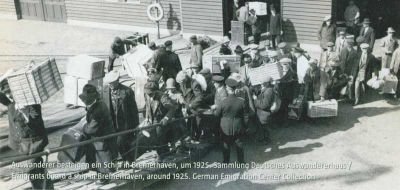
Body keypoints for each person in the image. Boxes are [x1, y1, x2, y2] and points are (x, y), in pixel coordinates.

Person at [0, 90, 54, 189]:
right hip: (21, 143)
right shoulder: (12, 104)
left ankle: (41, 188)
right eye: (8, 93)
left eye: (11, 93)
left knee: (33, 169)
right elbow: (3, 98)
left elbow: (35, 123)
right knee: (39, 167)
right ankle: (48, 187)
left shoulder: (32, 105)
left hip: (35, 143)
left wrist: (25, 113)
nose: (9, 95)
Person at [79, 84, 117, 184]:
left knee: (102, 159)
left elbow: (91, 129)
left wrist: (83, 127)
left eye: (86, 100)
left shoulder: (99, 109)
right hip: (99, 139)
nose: (85, 102)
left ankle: (104, 179)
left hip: (103, 139)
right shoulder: (98, 104)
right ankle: (103, 176)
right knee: (98, 159)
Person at [103, 70, 139, 162]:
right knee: (115, 144)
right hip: (111, 124)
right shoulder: (104, 91)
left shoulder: (127, 91)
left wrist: (136, 125)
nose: (110, 85)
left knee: (122, 143)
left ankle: (128, 161)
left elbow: (134, 110)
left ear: (117, 81)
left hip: (125, 124)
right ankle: (125, 160)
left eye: (112, 83)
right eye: (109, 83)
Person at [214, 78, 247, 163]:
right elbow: (246, 115)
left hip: (225, 126)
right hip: (238, 125)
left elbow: (217, 114)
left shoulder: (223, 102)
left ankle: (226, 161)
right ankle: (241, 162)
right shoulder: (242, 101)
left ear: (227, 89)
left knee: (226, 143)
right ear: (235, 88)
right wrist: (245, 126)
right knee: (239, 143)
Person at [143, 80, 178, 159]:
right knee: (155, 138)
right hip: (153, 120)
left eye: (151, 93)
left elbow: (172, 108)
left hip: (161, 120)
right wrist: (147, 118)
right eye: (148, 93)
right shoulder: (146, 95)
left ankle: (163, 155)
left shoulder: (163, 97)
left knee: (159, 137)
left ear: (155, 91)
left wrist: (166, 118)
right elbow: (148, 106)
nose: (149, 95)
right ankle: (164, 154)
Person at [253, 76, 274, 143]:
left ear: (267, 83)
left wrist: (255, 99)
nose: (261, 84)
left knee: (264, 127)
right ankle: (264, 139)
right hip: (263, 113)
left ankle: (266, 140)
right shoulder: (267, 89)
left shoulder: (268, 92)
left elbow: (264, 105)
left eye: (263, 83)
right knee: (263, 127)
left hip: (264, 113)